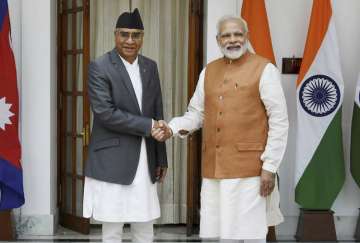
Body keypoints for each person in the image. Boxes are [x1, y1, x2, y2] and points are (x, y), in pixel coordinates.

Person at [152, 15, 289, 243]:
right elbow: (197, 114)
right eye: (226, 35)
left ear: (246, 37)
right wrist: (172, 128)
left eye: (237, 34)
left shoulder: (265, 69)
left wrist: (270, 166)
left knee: (250, 235)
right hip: (214, 170)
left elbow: (279, 121)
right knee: (216, 235)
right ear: (218, 40)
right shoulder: (209, 71)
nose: (232, 39)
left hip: (250, 172)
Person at [83, 8, 168, 243]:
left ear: (142, 37)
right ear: (115, 35)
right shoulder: (100, 66)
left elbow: (157, 111)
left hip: (145, 158)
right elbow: (105, 113)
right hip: (112, 158)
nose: (130, 40)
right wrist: (150, 125)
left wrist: (160, 157)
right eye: (124, 34)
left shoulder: (150, 66)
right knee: (112, 230)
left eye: (136, 35)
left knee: (145, 226)